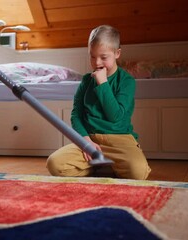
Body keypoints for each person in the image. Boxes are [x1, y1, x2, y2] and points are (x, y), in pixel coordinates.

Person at [46, 25, 151, 180]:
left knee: (138, 173)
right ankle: (100, 167)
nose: (97, 63)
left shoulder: (127, 81)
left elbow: (115, 116)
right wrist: (85, 141)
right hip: (91, 140)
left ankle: (105, 166)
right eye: (92, 56)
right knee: (55, 164)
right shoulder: (86, 81)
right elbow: (76, 114)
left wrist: (103, 84)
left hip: (120, 140)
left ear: (117, 53)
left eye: (103, 57)